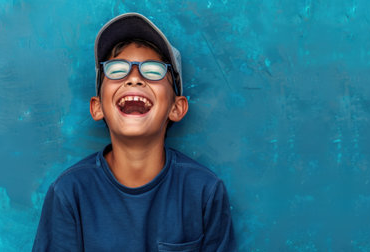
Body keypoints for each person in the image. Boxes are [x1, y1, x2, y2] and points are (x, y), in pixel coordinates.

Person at [32, 12, 236, 251]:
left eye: (153, 70)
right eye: (117, 69)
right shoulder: (69, 193)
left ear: (177, 108)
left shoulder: (205, 191)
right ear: (97, 107)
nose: (134, 79)